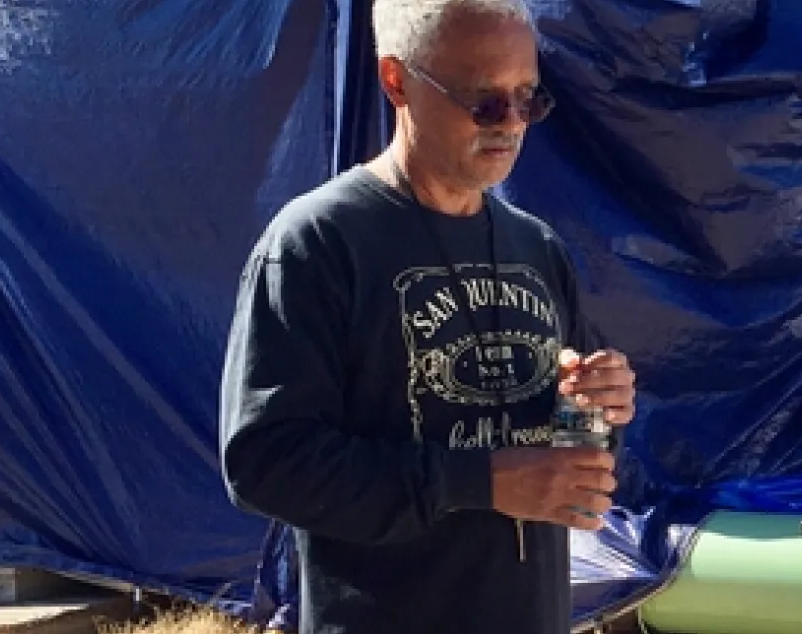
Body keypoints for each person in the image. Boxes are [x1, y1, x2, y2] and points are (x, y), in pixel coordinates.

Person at [216, 2, 637, 633]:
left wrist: (600, 410)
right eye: (485, 102)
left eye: (528, 99)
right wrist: (482, 481)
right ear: (397, 81)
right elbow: (266, 464)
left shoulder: (537, 249)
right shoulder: (319, 243)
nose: (512, 125)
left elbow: (568, 462)